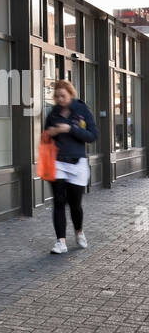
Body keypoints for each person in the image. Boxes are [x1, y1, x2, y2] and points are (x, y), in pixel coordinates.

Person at [44, 79, 97, 255]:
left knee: (75, 204)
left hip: (77, 163)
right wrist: (51, 133)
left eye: (63, 96)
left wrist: (70, 129)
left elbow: (92, 136)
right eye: (57, 96)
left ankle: (79, 231)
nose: (60, 99)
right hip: (57, 162)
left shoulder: (82, 110)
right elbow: (45, 136)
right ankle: (60, 242)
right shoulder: (53, 114)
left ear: (71, 94)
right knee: (59, 201)